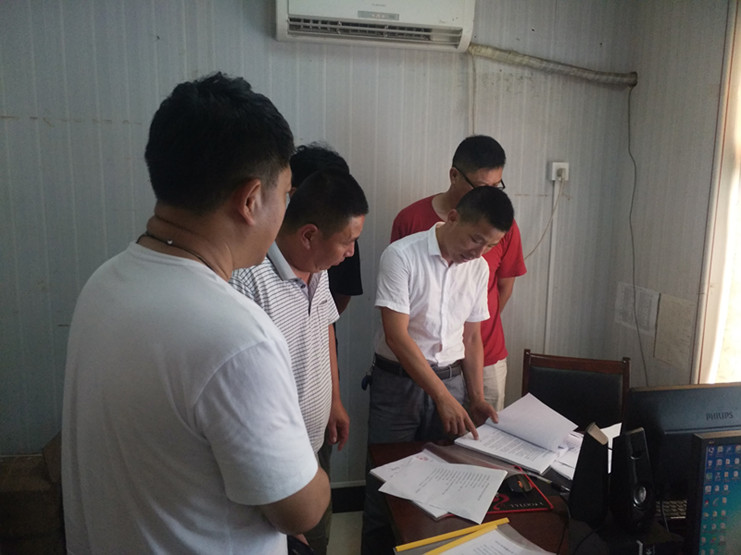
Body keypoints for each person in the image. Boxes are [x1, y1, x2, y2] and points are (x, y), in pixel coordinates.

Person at [61, 72, 329, 554]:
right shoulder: (236, 336)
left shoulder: (105, 283)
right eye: (286, 194)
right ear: (251, 200)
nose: (284, 211)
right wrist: (318, 478)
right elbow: (300, 511)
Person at [362, 186, 514, 554]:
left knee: (445, 491)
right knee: (386, 491)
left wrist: (475, 397)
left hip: (453, 383)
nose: (478, 252)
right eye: (475, 238)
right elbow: (397, 336)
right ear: (453, 218)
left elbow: (472, 337)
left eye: (490, 246)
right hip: (398, 387)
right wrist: (443, 397)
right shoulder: (402, 255)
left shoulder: (478, 268)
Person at [230, 168, 368, 555]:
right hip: (276, 452)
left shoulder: (319, 270)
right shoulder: (247, 281)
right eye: (348, 241)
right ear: (309, 235)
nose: (351, 252)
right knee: (291, 539)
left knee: (318, 537)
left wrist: (334, 400)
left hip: (315, 438)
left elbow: (324, 331)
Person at [391, 135, 526, 412]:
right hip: (427, 363)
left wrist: (469, 323)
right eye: (482, 187)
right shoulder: (411, 220)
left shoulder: (503, 227)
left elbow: (504, 286)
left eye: (497, 187)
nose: (490, 196)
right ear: (454, 175)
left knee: (484, 432)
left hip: (485, 355)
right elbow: (398, 301)